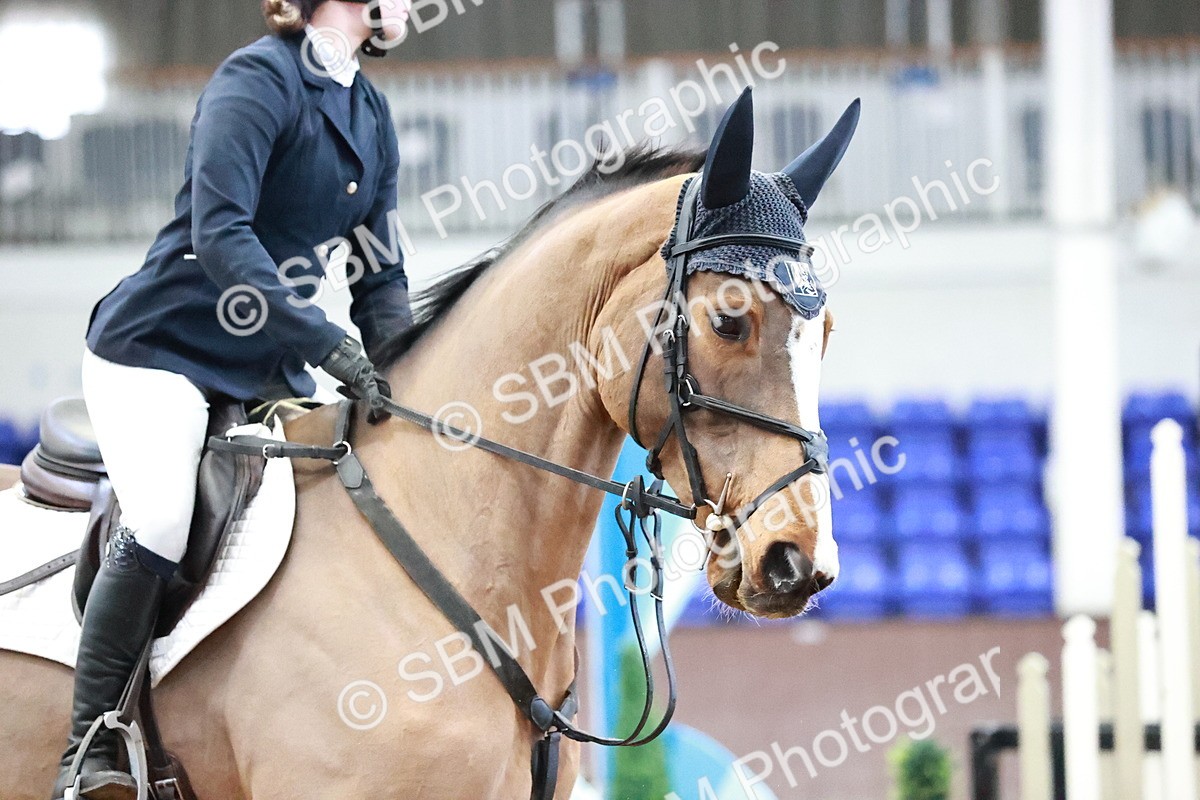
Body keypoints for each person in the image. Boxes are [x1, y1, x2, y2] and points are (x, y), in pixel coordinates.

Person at [53, 2, 412, 797]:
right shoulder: (257, 80)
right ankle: (90, 748)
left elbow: (381, 271)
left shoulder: (369, 112)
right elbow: (221, 235)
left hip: (263, 375)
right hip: (165, 353)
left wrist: (406, 371)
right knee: (161, 519)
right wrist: (327, 343)